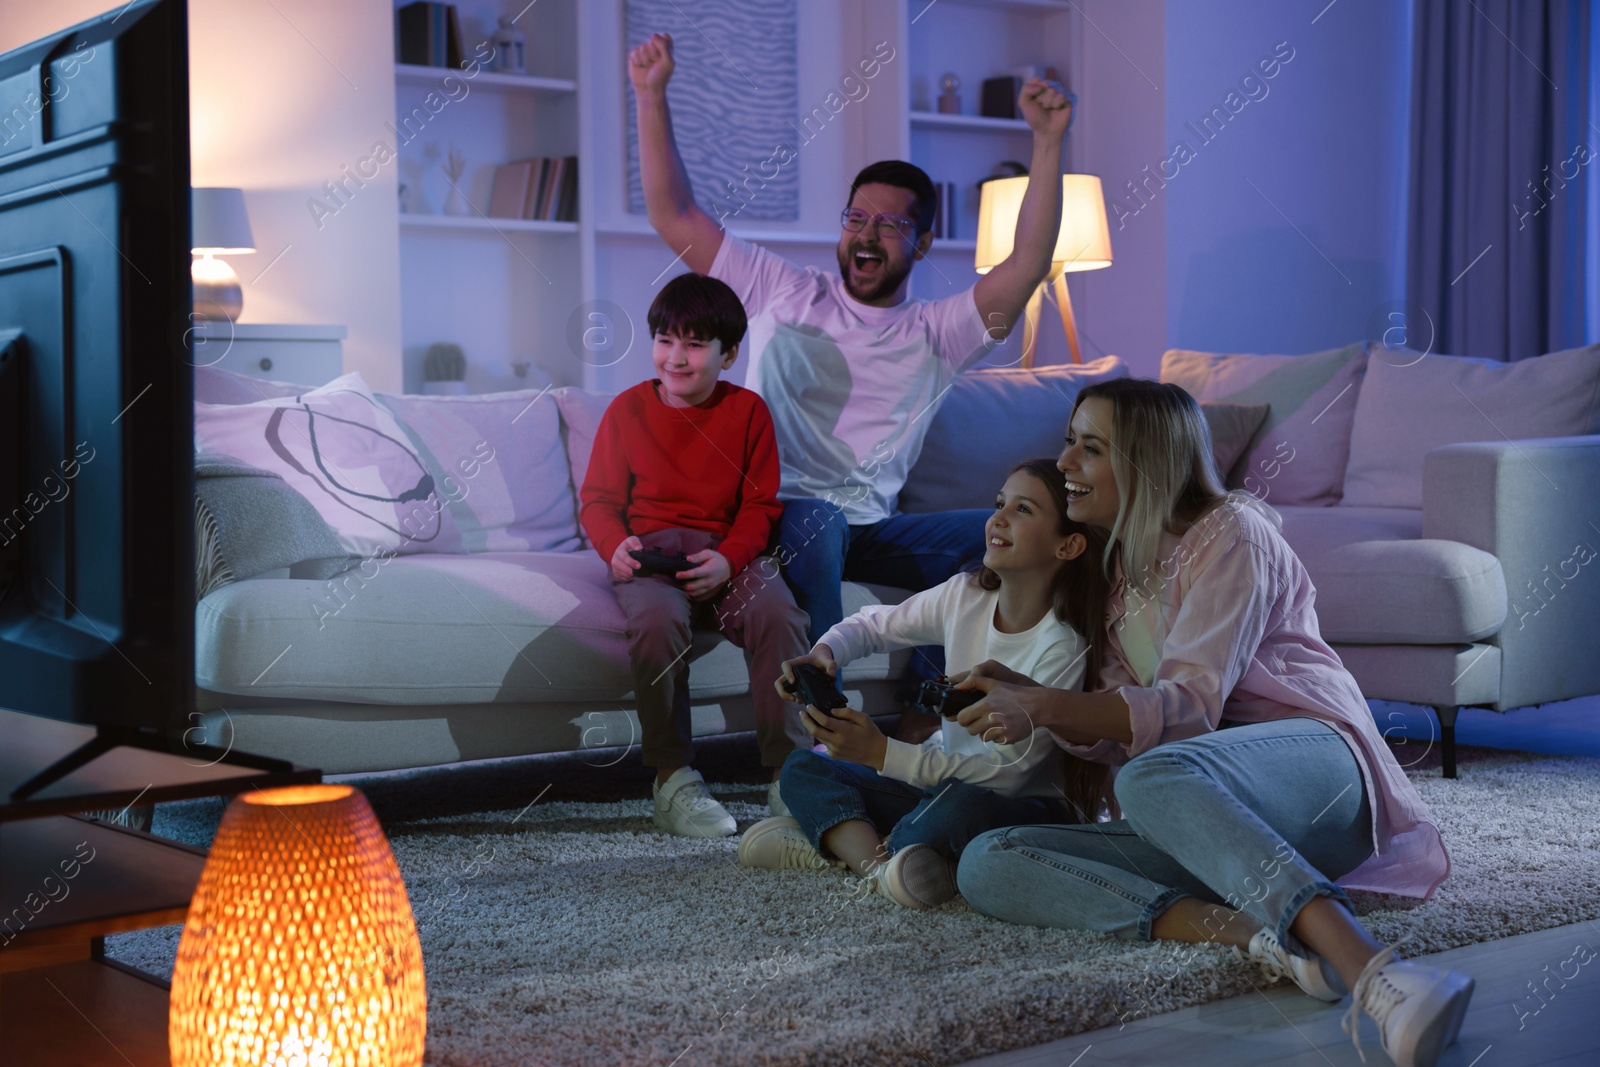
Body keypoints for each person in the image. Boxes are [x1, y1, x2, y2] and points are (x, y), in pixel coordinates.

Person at [950, 380, 1473, 1067]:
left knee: (1152, 774)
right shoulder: (1116, 579)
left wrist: (1045, 706)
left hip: (1321, 777)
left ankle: (1376, 971)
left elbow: (1187, 710)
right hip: (1210, 815)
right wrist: (1038, 695)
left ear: (1144, 463)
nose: (1065, 460)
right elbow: (1117, 730)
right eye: (1069, 440)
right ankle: (1261, 935)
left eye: (1090, 447)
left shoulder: (1233, 532)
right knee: (989, 858)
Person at [628, 33, 1075, 734]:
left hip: (871, 526)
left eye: (890, 225)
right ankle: (825, 712)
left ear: (924, 243)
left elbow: (1027, 262)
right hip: (779, 514)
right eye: (856, 217)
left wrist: (1047, 143)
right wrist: (651, 95)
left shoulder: (938, 332)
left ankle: (929, 715)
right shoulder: (782, 289)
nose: (866, 234)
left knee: (998, 533)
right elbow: (672, 215)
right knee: (822, 521)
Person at [737, 459, 1114, 910]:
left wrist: (882, 753)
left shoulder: (1063, 642)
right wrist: (827, 652)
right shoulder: (966, 595)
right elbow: (875, 625)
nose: (998, 517)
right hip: (942, 784)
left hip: (1023, 805)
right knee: (804, 768)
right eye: (999, 503)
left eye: (1023, 509)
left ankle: (850, 847)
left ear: (1068, 546)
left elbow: (1009, 776)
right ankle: (883, 870)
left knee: (954, 811)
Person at [580, 273, 810, 836]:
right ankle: (672, 778)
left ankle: (791, 773)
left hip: (726, 555)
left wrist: (730, 560)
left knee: (780, 615)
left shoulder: (749, 412)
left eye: (694, 344)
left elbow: (760, 506)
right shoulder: (626, 412)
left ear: (728, 354)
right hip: (651, 558)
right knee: (657, 623)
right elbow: (598, 502)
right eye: (665, 340)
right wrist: (616, 548)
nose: (675, 358)